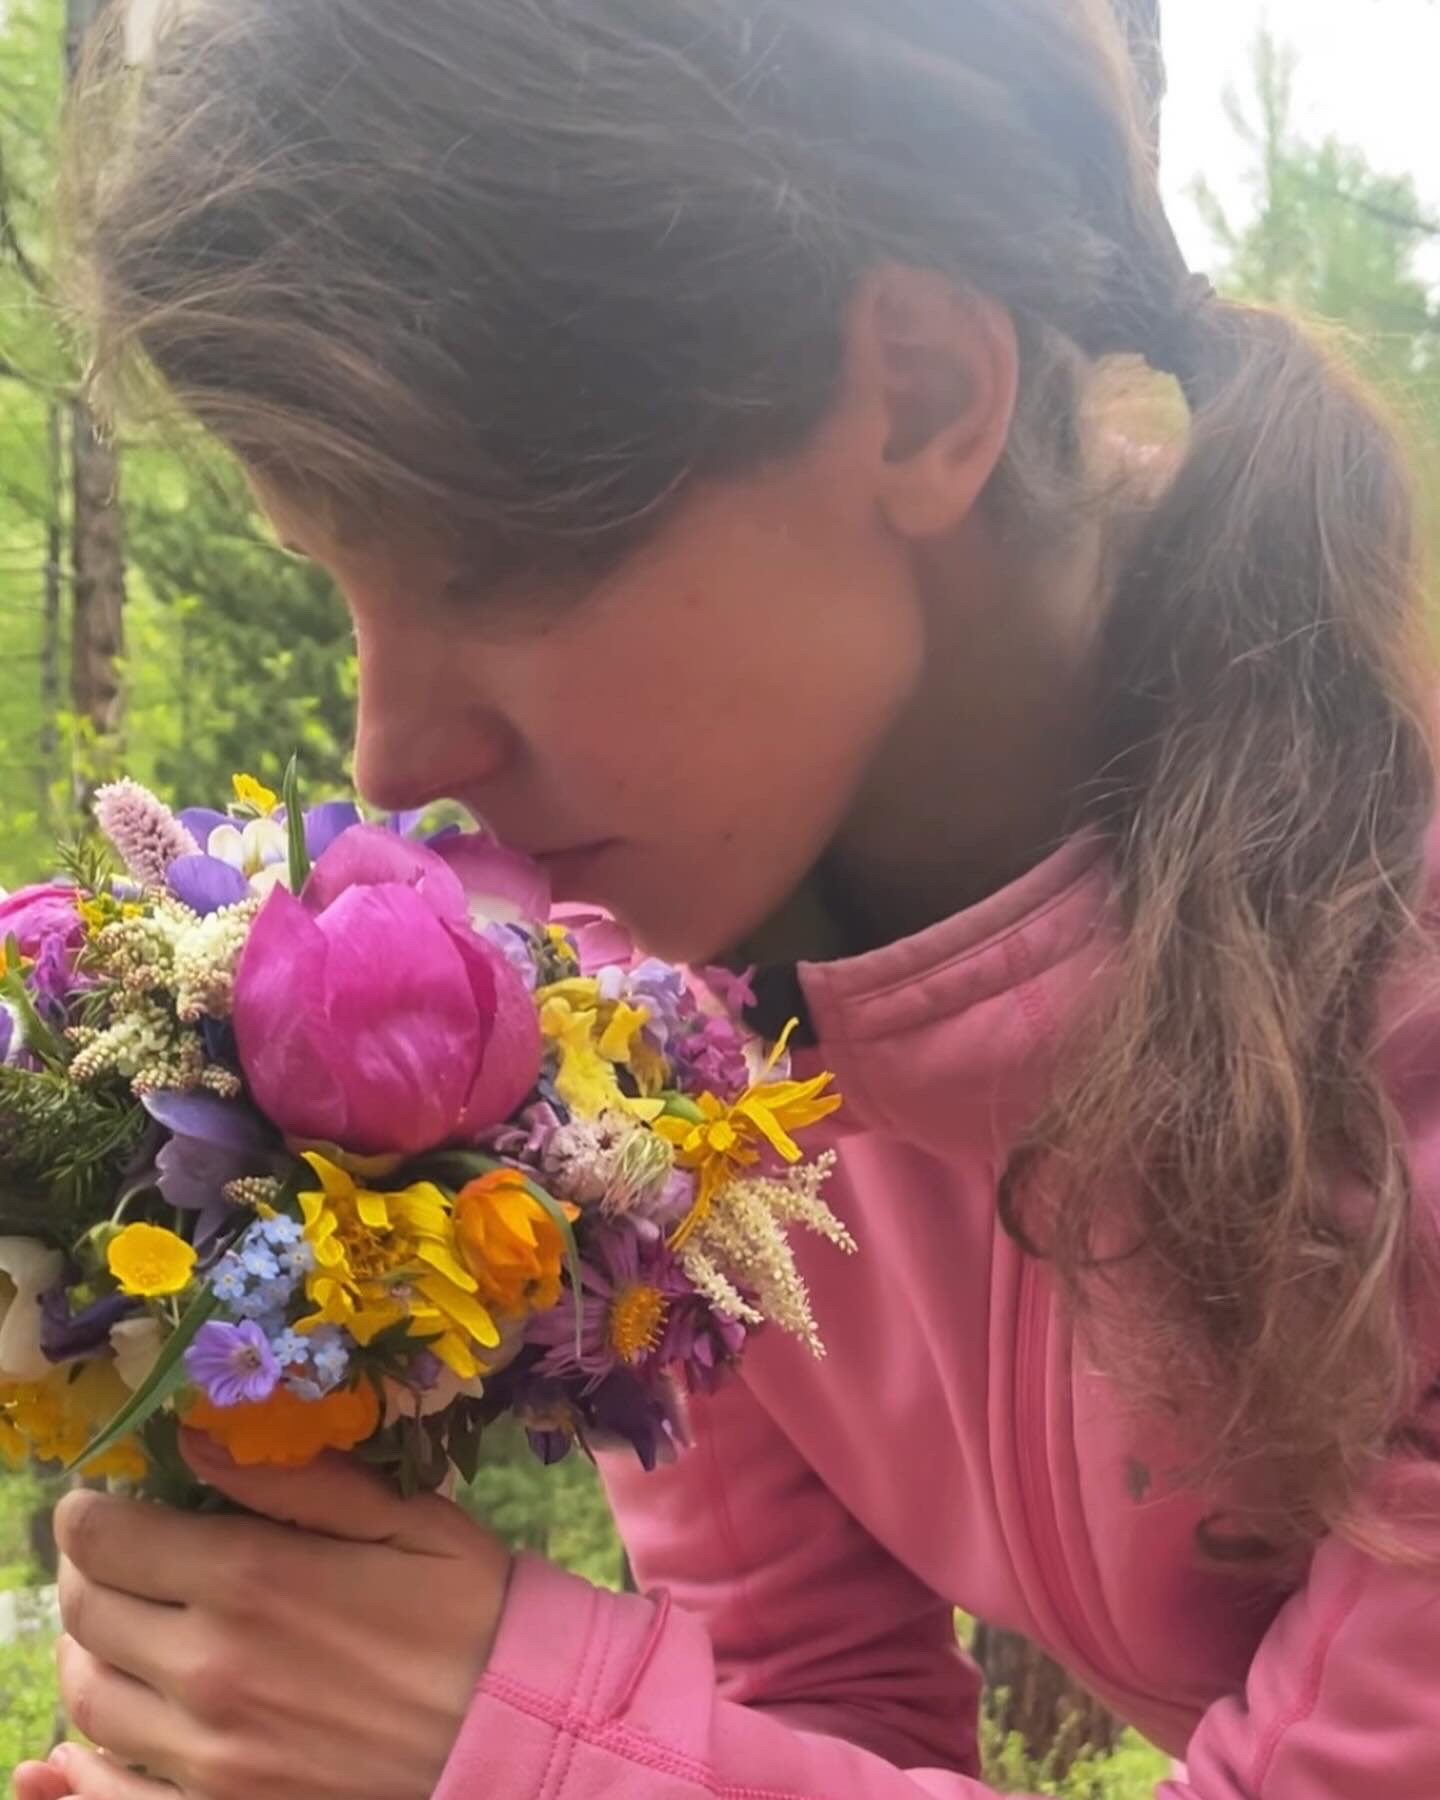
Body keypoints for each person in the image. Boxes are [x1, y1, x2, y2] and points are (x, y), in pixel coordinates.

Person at [17, 1, 1440, 1795]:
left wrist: (518, 1744)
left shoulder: (1394, 1025)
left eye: (495, 567)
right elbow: (811, 1706)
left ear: (923, 394)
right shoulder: (671, 1055)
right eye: (339, 578)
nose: (393, 758)